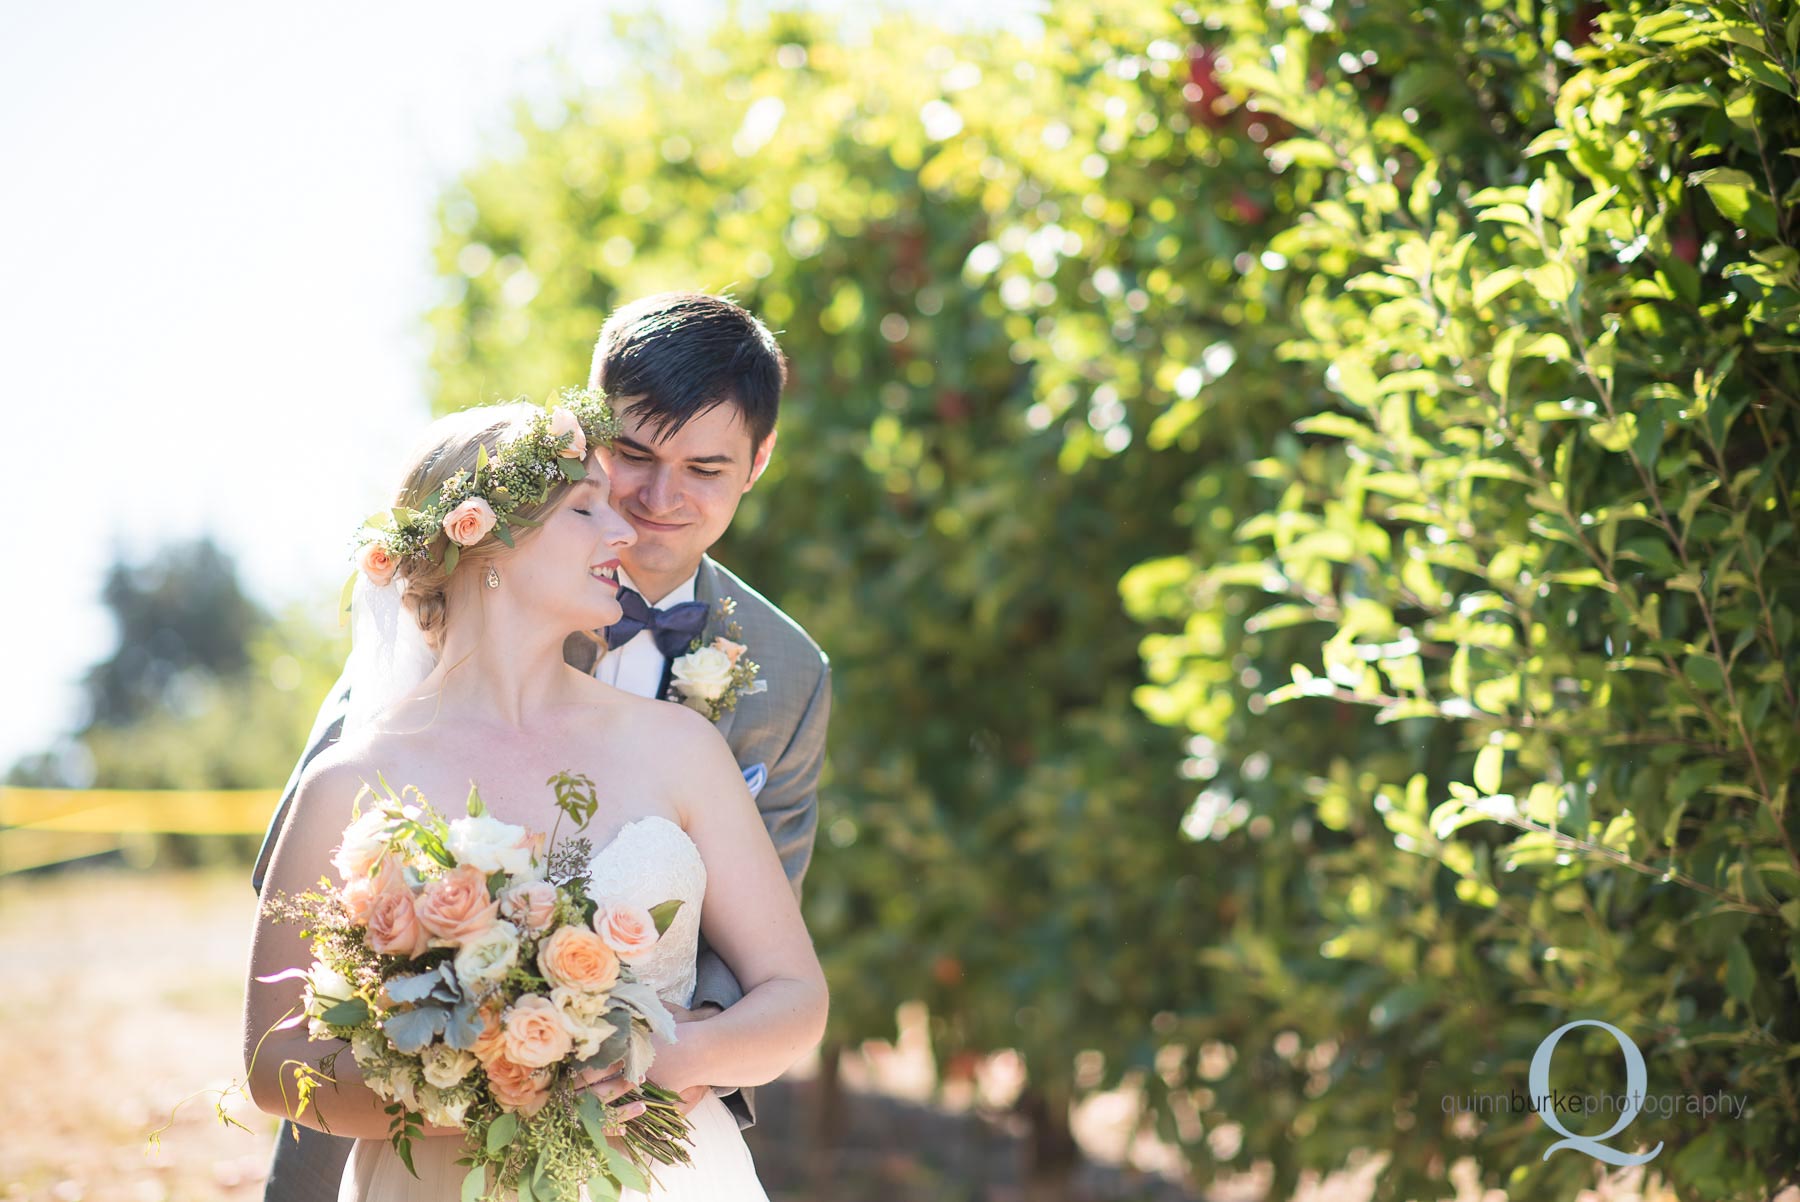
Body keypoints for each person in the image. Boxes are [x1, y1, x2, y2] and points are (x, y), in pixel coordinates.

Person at [249, 293, 833, 1200]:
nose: (645, 508)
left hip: (650, 1148)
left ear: (757, 464)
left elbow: (775, 974)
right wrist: (486, 1069)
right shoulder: (386, 730)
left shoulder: (774, 686)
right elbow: (302, 934)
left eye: (703, 468)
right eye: (628, 459)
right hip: (408, 1148)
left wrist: (652, 1056)